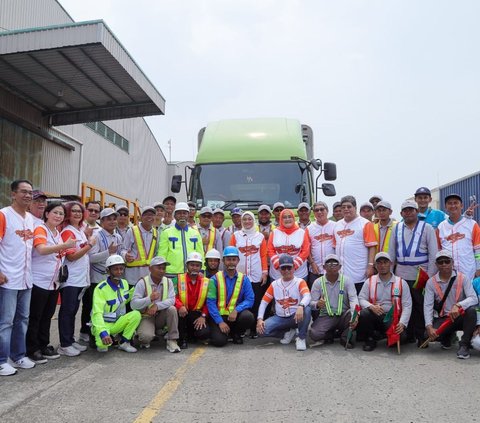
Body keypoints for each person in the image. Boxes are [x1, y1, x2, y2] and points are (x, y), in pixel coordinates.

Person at [27, 202, 75, 364]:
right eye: (55, 212)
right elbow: (41, 249)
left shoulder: (57, 232)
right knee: (35, 316)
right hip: (39, 281)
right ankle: (32, 348)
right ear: (47, 214)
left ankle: (43, 344)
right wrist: (65, 245)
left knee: (47, 316)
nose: (58, 216)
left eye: (61, 214)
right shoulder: (40, 229)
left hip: (53, 282)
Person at [389, 200, 438, 345]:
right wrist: (391, 275)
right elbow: (391, 254)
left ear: (417, 212)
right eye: (405, 210)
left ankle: (421, 336)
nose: (408, 212)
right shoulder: (396, 228)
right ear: (401, 213)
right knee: (403, 305)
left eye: (411, 210)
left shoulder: (427, 228)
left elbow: (433, 253)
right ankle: (407, 334)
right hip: (401, 274)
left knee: (419, 305)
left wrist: (430, 276)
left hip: (420, 274)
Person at [0, 180, 36, 376]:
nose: (28, 195)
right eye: (23, 192)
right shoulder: (4, 215)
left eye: (30, 192)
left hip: (26, 278)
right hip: (8, 279)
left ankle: (18, 355)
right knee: (5, 321)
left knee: (22, 319)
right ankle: (1, 360)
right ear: (13, 194)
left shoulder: (30, 219)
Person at [58, 201, 96, 357]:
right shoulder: (68, 232)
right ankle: (64, 344)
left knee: (73, 310)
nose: (77, 214)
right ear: (68, 213)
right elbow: (72, 256)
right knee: (67, 311)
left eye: (80, 211)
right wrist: (89, 245)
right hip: (71, 280)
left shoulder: (79, 230)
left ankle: (70, 340)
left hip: (80, 279)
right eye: (73, 211)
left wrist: (86, 239)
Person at [423, 250, 478, 359]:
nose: (444, 264)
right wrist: (429, 326)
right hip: (444, 319)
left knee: (471, 311)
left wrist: (458, 305)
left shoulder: (463, 278)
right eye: (440, 262)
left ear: (452, 263)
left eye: (447, 261)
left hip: (460, 316)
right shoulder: (431, 282)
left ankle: (464, 345)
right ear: (436, 265)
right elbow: (427, 306)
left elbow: (474, 298)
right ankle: (447, 337)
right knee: (428, 336)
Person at [79, 208, 122, 344]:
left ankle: (106, 333)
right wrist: (107, 252)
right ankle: (88, 333)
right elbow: (90, 258)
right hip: (96, 278)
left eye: (114, 218)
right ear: (102, 221)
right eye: (108, 219)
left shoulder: (118, 237)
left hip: (110, 280)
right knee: (92, 307)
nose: (112, 221)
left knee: (108, 308)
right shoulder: (96, 236)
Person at [357, 252, 412, 352]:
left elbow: (407, 305)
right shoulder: (369, 281)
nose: (382, 265)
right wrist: (371, 306)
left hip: (392, 318)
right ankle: (370, 339)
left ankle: (383, 335)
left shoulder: (401, 282)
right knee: (364, 314)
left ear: (391, 264)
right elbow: (361, 298)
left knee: (402, 338)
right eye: (379, 263)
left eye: (385, 262)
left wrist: (402, 323)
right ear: (375, 266)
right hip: (375, 315)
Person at [256, 254, 311, 351]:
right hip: (280, 318)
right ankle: (287, 333)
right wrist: (260, 319)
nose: (286, 270)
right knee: (260, 331)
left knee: (307, 309)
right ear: (279, 269)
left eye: (289, 267)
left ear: (294, 268)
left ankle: (301, 337)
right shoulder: (274, 284)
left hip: (296, 316)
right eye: (283, 268)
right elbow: (264, 302)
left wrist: (301, 306)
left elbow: (307, 296)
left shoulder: (300, 281)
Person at [91, 255, 140, 353]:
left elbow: (125, 298)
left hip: (118, 322)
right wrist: (103, 332)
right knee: (102, 347)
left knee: (136, 315)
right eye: (115, 269)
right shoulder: (101, 289)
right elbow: (97, 313)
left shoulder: (125, 283)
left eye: (121, 269)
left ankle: (124, 343)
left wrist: (138, 286)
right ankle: (104, 337)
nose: (119, 272)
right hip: (104, 324)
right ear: (108, 271)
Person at [206, 246, 254, 347]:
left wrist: (236, 310)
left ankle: (236, 333)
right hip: (219, 316)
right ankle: (223, 332)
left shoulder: (244, 279)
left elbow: (250, 299)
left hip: (235, 316)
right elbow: (210, 302)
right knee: (219, 342)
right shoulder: (214, 279)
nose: (231, 262)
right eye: (228, 259)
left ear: (238, 261)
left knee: (248, 317)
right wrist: (219, 322)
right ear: (223, 261)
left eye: (234, 259)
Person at [230, 211, 268, 338]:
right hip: (240, 275)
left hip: (256, 274)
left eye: (249, 219)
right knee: (239, 300)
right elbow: (231, 254)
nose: (247, 222)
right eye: (244, 219)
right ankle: (240, 328)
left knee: (256, 301)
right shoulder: (236, 235)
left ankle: (253, 329)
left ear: (254, 221)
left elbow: (263, 255)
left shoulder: (260, 237)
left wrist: (264, 272)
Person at [131, 256, 181, 352]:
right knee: (145, 338)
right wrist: (149, 299)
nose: (162, 271)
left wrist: (157, 306)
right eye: (159, 268)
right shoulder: (142, 282)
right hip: (146, 316)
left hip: (161, 316)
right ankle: (143, 334)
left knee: (172, 309)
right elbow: (133, 304)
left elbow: (172, 300)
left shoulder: (168, 281)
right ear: (150, 269)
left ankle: (172, 340)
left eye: (163, 268)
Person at [309, 254, 359, 348]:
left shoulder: (347, 281)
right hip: (327, 315)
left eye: (335, 264)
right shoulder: (318, 282)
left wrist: (355, 315)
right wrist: (317, 304)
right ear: (324, 267)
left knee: (354, 315)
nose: (332, 266)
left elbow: (353, 299)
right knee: (314, 334)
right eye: (329, 264)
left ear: (340, 267)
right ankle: (332, 334)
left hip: (344, 314)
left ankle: (344, 337)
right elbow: (311, 303)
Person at [333, 195, 377, 294]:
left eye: (349, 207)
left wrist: (370, 266)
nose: (346, 209)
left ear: (355, 208)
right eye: (343, 207)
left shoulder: (365, 223)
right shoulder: (337, 225)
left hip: (359, 272)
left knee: (358, 303)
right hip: (341, 272)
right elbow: (335, 246)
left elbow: (372, 246)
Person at [437, 193, 480, 280]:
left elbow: (478, 250)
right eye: (449, 203)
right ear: (445, 207)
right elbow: (438, 250)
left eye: (456, 203)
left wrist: (478, 268)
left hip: (469, 271)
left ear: (462, 206)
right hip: (448, 273)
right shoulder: (440, 227)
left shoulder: (472, 224)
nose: (453, 205)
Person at [158, 202, 204, 278]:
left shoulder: (195, 233)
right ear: (175, 216)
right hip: (171, 274)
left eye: (184, 213)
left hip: (191, 274)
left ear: (188, 215)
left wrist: (202, 270)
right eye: (179, 213)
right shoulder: (166, 232)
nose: (182, 215)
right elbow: (162, 254)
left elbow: (200, 253)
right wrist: (161, 270)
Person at [174, 252, 210, 349]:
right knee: (178, 314)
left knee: (204, 333)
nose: (194, 268)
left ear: (201, 267)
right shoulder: (177, 279)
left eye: (197, 265)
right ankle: (182, 339)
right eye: (192, 265)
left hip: (197, 314)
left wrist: (203, 316)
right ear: (187, 266)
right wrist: (179, 306)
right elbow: (173, 296)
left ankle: (192, 335)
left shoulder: (207, 282)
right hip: (182, 312)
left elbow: (209, 302)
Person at [268, 209, 311, 282]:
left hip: (298, 273)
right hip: (278, 274)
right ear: (281, 219)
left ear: (294, 218)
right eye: (284, 217)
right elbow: (270, 249)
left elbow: (305, 251)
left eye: (289, 217)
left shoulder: (301, 232)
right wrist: (279, 264)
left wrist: (294, 266)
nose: (287, 219)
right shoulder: (275, 232)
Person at [121, 206, 159, 286]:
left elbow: (155, 253)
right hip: (132, 276)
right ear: (141, 217)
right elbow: (123, 249)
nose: (149, 217)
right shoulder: (132, 230)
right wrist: (125, 256)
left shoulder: (156, 233)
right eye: (146, 214)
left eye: (152, 215)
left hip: (148, 276)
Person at [306, 201, 335, 287]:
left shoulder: (336, 226)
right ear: (313, 213)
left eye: (322, 209)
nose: (319, 212)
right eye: (316, 210)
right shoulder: (309, 228)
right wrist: (312, 263)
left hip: (333, 269)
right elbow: (307, 248)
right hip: (315, 269)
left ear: (327, 211)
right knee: (316, 297)